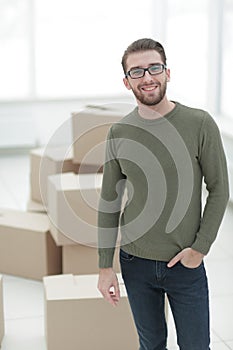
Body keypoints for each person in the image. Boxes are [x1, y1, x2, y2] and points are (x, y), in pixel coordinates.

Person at [97, 38, 229, 350]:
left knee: (196, 346)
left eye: (154, 68)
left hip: (185, 261)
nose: (147, 77)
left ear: (167, 72)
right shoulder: (119, 132)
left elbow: (220, 189)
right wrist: (105, 267)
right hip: (135, 261)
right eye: (137, 72)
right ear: (127, 82)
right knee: (151, 344)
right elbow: (109, 202)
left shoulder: (199, 123)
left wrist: (200, 249)